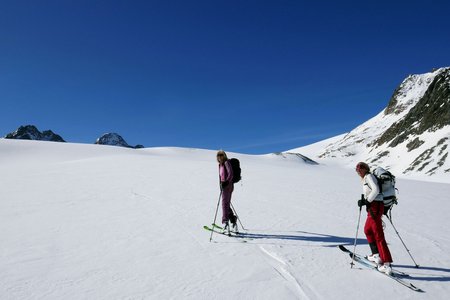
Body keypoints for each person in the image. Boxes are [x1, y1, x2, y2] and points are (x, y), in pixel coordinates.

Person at [356, 162, 393, 274]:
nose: (358, 171)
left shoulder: (369, 176)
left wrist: (367, 201)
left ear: (365, 169)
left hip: (375, 207)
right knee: (367, 230)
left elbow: (376, 189)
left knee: (378, 235)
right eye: (357, 169)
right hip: (373, 207)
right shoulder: (365, 178)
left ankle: (386, 263)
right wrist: (365, 202)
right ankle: (376, 255)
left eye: (360, 169)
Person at [216, 150, 237, 233]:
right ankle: (233, 220)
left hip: (228, 186)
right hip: (224, 186)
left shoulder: (226, 162)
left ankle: (225, 222)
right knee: (226, 204)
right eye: (218, 155)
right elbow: (220, 177)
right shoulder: (220, 165)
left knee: (224, 204)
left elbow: (230, 173)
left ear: (224, 155)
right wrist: (221, 185)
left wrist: (226, 182)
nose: (220, 156)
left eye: (221, 154)